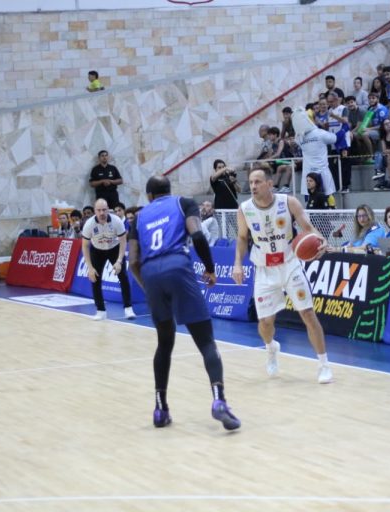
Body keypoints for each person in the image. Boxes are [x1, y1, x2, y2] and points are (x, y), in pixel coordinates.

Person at [128, 176, 240, 430]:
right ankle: (219, 401)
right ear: (170, 190)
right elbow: (198, 235)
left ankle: (160, 409)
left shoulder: (140, 216)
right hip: (177, 266)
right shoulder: (183, 203)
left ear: (149, 196)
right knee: (206, 341)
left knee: (164, 343)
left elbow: (133, 261)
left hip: (150, 273)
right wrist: (210, 268)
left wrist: (148, 287)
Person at [232, 168, 333, 384]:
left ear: (270, 184)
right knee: (265, 322)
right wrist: (237, 263)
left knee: (307, 313)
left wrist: (321, 239)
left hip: (289, 264)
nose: (253, 186)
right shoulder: (244, 209)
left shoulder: (288, 203)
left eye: (258, 181)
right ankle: (271, 348)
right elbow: (242, 238)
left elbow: (308, 228)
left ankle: (324, 364)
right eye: (251, 182)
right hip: (264, 269)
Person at [80, 199, 135, 321]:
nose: (102, 213)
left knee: (123, 277)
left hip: (114, 248)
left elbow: (123, 241)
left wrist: (119, 261)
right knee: (95, 278)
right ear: (95, 211)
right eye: (99, 210)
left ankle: (128, 308)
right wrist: (90, 267)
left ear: (108, 209)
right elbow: (85, 246)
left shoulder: (116, 221)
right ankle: (100, 311)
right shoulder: (89, 224)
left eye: (104, 210)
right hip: (97, 250)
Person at [293, 108, 337, 207]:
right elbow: (334, 138)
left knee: (310, 200)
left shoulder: (299, 137)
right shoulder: (320, 133)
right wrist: (344, 130)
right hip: (322, 172)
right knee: (328, 197)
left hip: (308, 173)